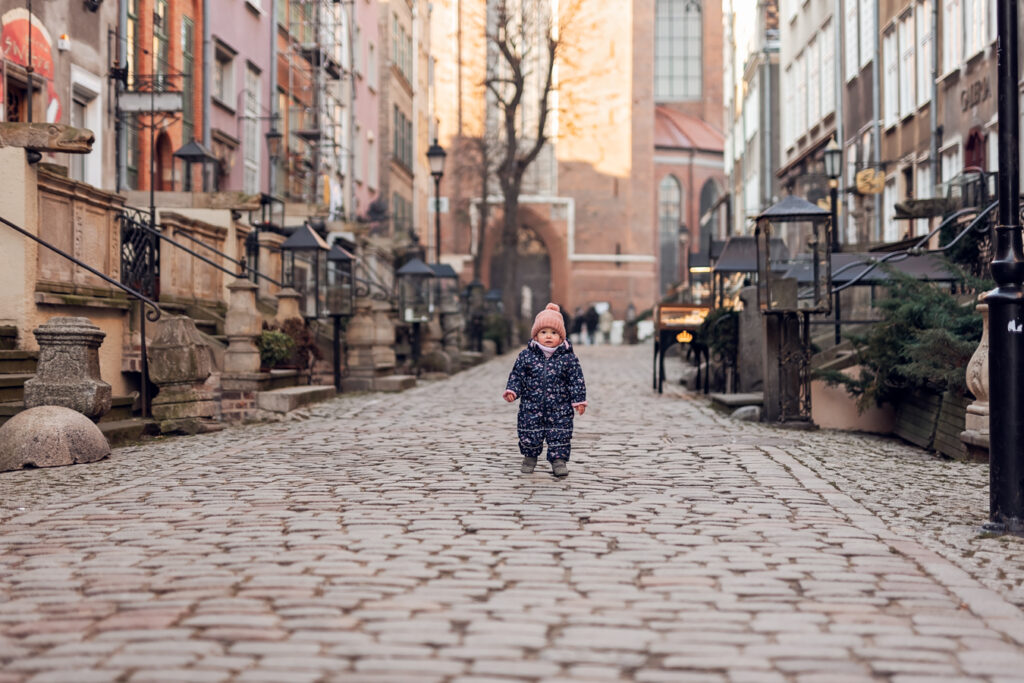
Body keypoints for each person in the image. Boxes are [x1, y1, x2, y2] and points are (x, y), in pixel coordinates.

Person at [503, 303, 587, 477]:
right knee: (529, 432)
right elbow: (517, 375)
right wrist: (513, 390)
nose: (549, 336)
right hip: (531, 405)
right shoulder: (526, 356)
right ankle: (529, 457)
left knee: (560, 434)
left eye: (554, 333)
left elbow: (576, 380)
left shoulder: (568, 358)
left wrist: (578, 400)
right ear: (536, 335)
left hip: (560, 407)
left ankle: (558, 460)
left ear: (561, 337)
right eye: (544, 332)